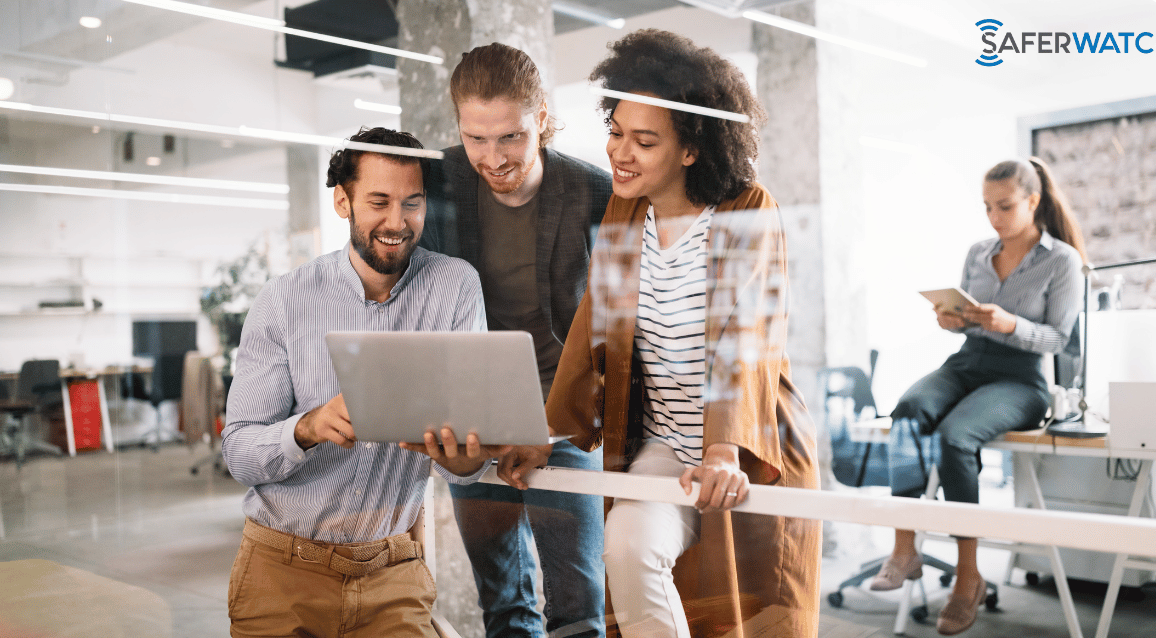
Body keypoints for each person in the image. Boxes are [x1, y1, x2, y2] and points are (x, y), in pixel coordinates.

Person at [499, 29, 821, 638]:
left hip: (747, 445)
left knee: (751, 615)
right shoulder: (628, 210)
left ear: (692, 149)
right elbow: (597, 326)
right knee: (625, 548)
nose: (620, 152)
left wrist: (724, 448)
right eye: (617, 131)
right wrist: (544, 433)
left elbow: (743, 334)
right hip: (668, 442)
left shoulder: (746, 208)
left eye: (644, 141)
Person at [222, 127, 500, 638]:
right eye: (379, 202)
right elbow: (238, 452)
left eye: (411, 204)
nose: (397, 223)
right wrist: (307, 427)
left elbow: (466, 469)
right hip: (283, 573)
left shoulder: (456, 286)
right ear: (342, 201)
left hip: (392, 577)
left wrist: (460, 452)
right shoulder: (285, 301)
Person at [418, 43, 611, 638]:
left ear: (543, 119)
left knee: (577, 601)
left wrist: (562, 424)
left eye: (510, 137)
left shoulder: (593, 193)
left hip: (564, 411)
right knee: (502, 598)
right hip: (476, 409)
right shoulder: (441, 180)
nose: (493, 157)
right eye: (476, 138)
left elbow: (619, 327)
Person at [870, 157, 1086, 636]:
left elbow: (1059, 340)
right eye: (987, 207)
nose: (994, 217)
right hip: (968, 363)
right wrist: (953, 318)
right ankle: (904, 547)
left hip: (1022, 378)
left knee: (954, 438)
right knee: (906, 411)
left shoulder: (1061, 260)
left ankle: (968, 577)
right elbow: (963, 316)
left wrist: (1012, 324)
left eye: (1004, 206)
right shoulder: (977, 252)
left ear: (1033, 201)